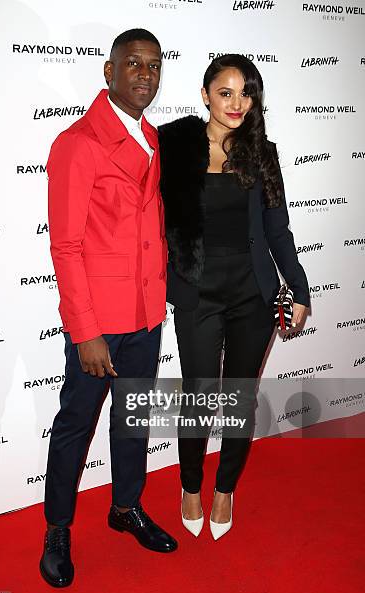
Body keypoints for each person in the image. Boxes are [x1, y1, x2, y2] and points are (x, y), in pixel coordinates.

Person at [40, 28, 177, 589]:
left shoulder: (152, 138)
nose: (145, 74)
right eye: (133, 64)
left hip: (146, 316)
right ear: (109, 72)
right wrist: (86, 332)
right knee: (75, 423)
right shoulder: (77, 143)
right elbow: (66, 247)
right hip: (100, 325)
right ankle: (57, 528)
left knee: (133, 420)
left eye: (153, 65)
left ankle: (125, 508)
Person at [158, 54, 310, 540]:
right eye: (225, 92)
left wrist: (300, 288)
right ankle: (190, 485)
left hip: (252, 296)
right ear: (205, 95)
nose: (236, 102)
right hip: (197, 293)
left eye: (245, 92)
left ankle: (225, 488)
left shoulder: (262, 152)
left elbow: (277, 230)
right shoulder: (174, 147)